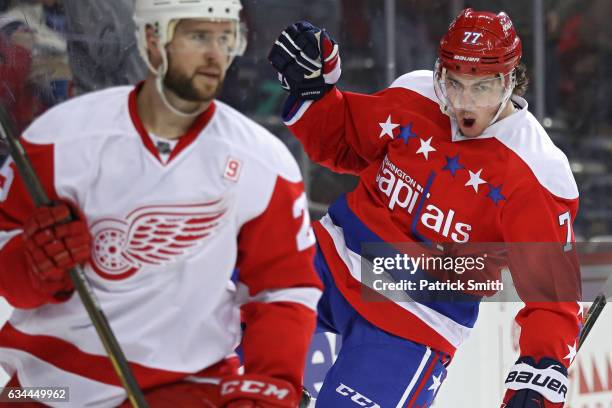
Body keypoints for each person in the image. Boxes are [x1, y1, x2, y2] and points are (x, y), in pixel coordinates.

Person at [0, 0, 322, 406]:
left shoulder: (264, 163)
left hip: (187, 384)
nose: (215, 53)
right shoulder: (58, 139)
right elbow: (6, 262)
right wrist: (32, 266)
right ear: (153, 40)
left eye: (226, 37)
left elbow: (283, 290)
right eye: (199, 36)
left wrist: (271, 387)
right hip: (49, 383)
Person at [268, 9, 581, 408]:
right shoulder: (416, 94)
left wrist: (539, 375)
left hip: (417, 317)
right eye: (454, 83)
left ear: (510, 80)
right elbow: (344, 141)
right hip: (328, 262)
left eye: (481, 88)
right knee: (217, 339)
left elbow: (552, 294)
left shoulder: (536, 170)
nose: (464, 102)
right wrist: (314, 92)